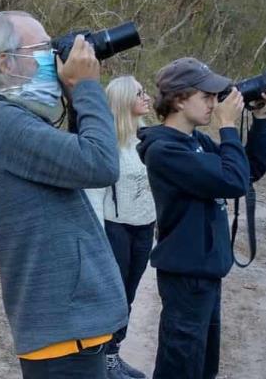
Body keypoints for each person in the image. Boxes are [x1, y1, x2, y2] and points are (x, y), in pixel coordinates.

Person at [0, 11, 128, 379]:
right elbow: (100, 163)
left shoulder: (10, 120)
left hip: (69, 323)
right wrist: (87, 88)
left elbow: (78, 158)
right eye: (44, 49)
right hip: (62, 326)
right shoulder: (0, 122)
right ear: (6, 63)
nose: (54, 58)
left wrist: (76, 95)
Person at [136, 58, 266, 379]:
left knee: (202, 365)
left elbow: (248, 171)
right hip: (187, 275)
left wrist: (259, 119)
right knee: (180, 366)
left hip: (205, 271)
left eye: (216, 97)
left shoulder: (195, 142)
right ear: (178, 99)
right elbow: (232, 181)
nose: (214, 104)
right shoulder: (164, 151)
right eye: (206, 96)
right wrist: (227, 126)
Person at [90, 76, 155, 379]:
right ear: (123, 100)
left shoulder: (148, 140)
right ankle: (103, 360)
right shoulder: (108, 145)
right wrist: (98, 239)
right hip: (116, 230)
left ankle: (114, 353)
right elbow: (94, 195)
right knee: (113, 297)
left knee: (128, 294)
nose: (147, 97)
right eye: (139, 93)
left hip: (145, 228)